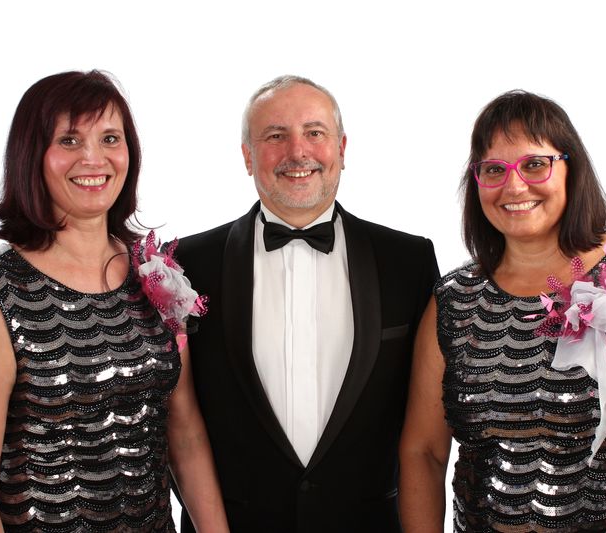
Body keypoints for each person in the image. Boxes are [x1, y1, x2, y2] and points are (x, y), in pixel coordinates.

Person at [399, 90, 606, 532]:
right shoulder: (453, 300)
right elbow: (424, 452)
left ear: (571, 168)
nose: (514, 186)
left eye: (534, 164)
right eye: (494, 169)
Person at [0, 70, 229, 532]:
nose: (94, 158)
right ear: (32, 155)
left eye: (110, 138)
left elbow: (186, 435)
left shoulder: (156, 273)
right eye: (69, 140)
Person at [174, 75, 438, 533]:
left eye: (314, 132)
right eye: (275, 136)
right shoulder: (186, 265)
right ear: (247, 156)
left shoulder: (409, 261)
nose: (297, 152)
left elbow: (429, 434)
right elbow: (176, 423)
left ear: (342, 148)